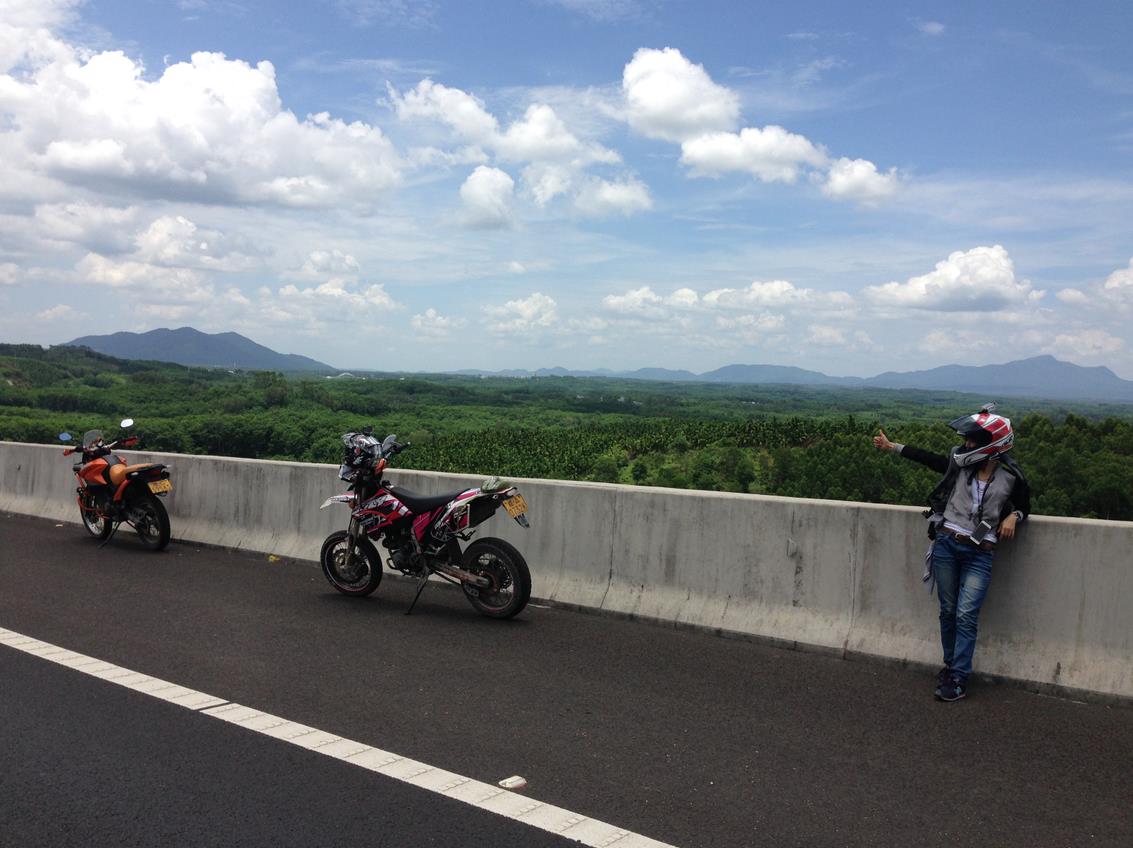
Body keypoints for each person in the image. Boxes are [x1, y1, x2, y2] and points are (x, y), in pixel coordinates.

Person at [873, 404, 1030, 702]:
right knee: (948, 611)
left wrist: (1014, 516)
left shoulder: (1011, 478)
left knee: (966, 614)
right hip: (947, 543)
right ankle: (950, 666)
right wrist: (893, 447)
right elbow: (929, 459)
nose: (967, 445)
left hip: (980, 552)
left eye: (973, 441)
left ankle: (959, 676)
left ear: (992, 444)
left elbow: (1025, 504)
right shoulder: (959, 465)